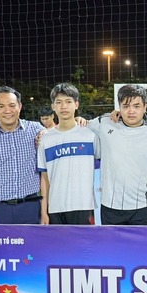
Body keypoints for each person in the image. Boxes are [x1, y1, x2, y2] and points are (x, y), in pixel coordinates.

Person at [86, 84, 147, 225]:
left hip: (144, 207)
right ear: (119, 107)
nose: (131, 111)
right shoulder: (104, 123)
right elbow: (77, 127)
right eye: (126, 106)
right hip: (111, 207)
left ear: (145, 107)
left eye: (136, 106)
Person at [0, 86, 46, 224]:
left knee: (31, 240)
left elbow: (60, 133)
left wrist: (79, 121)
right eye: (1, 106)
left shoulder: (35, 129)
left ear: (20, 106)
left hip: (30, 207)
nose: (7, 111)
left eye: (12, 105)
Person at [37, 83, 98, 225]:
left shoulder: (90, 134)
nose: (63, 106)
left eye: (68, 102)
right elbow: (44, 178)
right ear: (53, 107)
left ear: (76, 104)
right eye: (59, 102)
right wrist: (44, 211)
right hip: (55, 208)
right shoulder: (45, 139)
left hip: (83, 206)